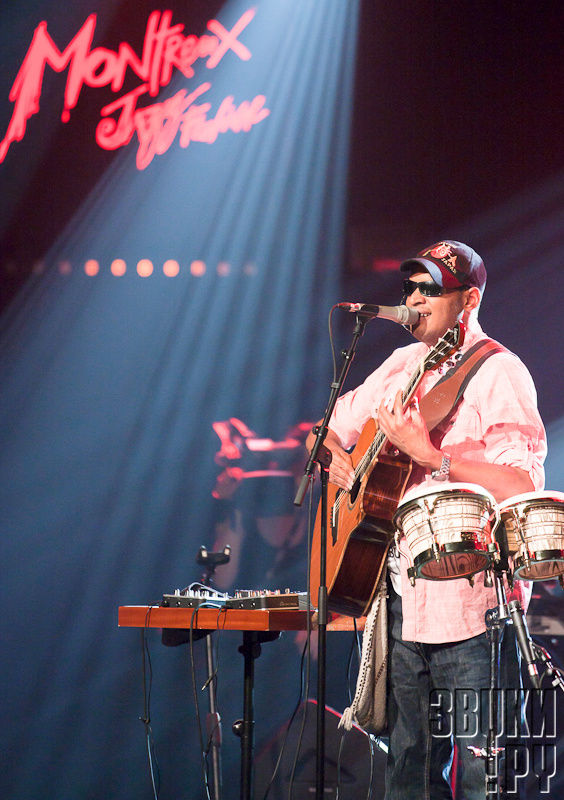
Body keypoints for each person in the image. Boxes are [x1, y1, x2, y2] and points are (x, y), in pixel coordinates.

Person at [306, 240, 547, 799]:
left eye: (428, 289)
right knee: (407, 772)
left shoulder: (499, 372)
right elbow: (331, 428)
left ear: (468, 300)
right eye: (410, 287)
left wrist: (431, 455)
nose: (412, 298)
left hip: (472, 607)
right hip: (400, 601)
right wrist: (336, 459)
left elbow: (521, 484)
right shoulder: (400, 364)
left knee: (479, 775)